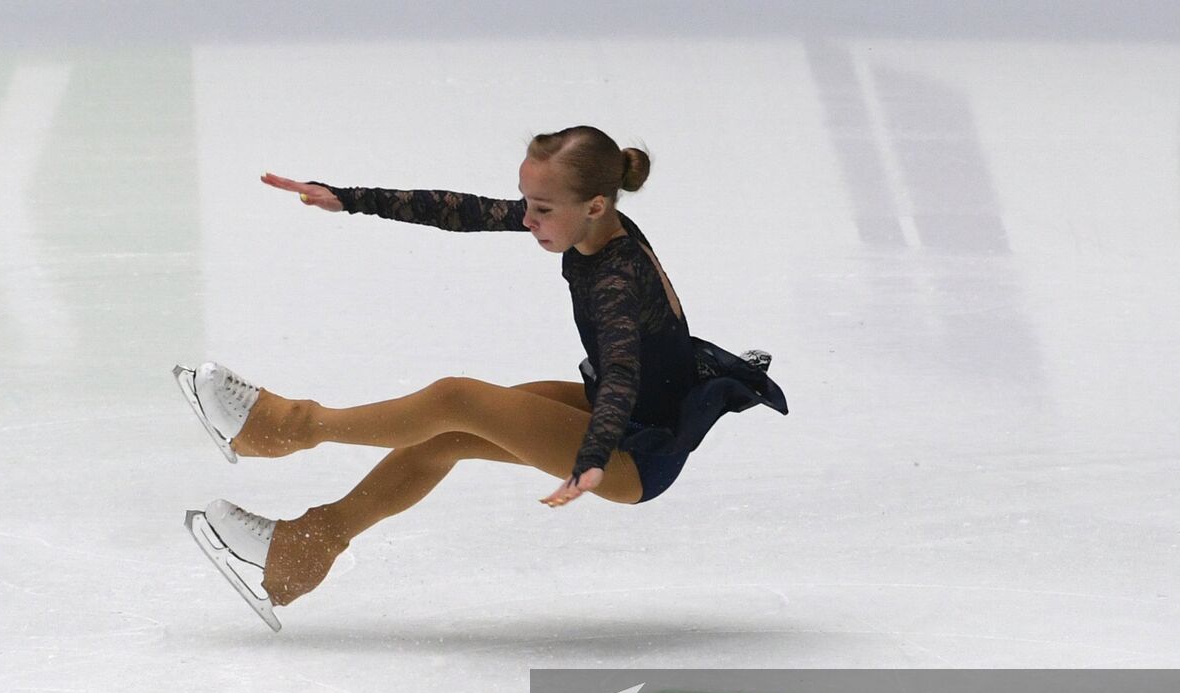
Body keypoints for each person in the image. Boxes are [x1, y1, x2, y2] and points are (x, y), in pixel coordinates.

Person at [176, 125, 787, 631]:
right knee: (448, 433)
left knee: (457, 399)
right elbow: (462, 212)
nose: (526, 220)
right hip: (628, 420)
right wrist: (349, 197)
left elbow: (623, 372)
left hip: (633, 451)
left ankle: (284, 427)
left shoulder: (616, 281)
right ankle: (298, 553)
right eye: (526, 202)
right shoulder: (584, 224)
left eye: (540, 209)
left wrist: (594, 457)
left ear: (595, 205)